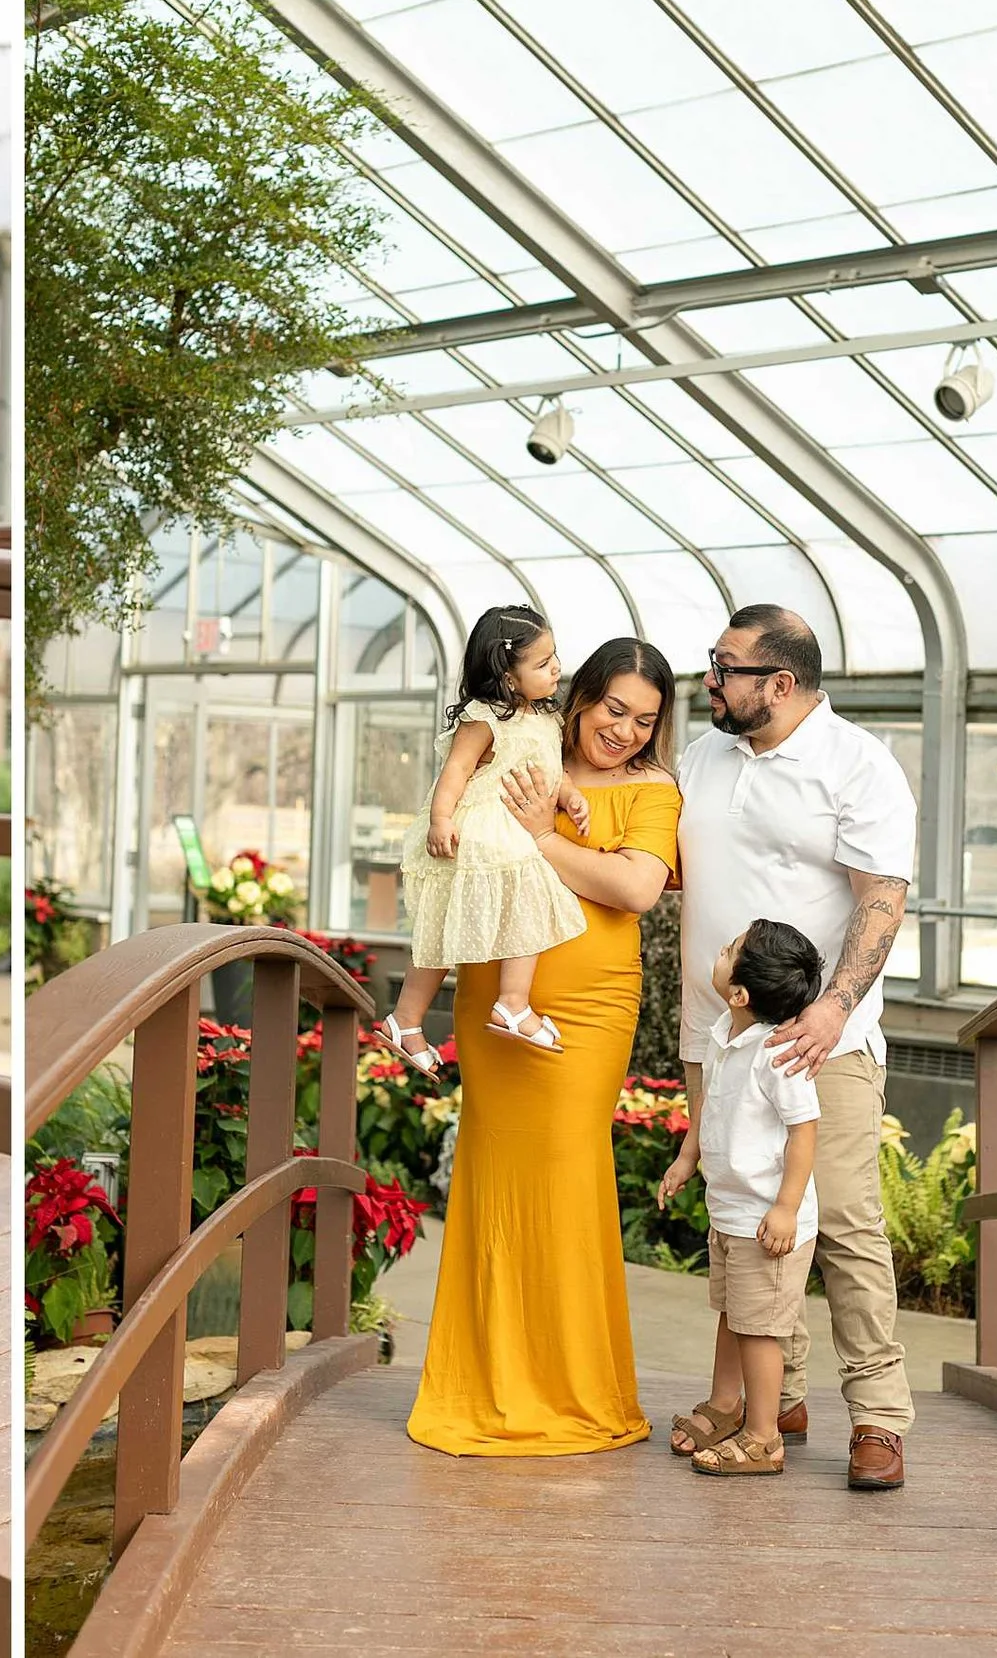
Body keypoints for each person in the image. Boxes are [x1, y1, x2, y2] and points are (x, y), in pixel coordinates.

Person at [406, 639, 678, 1456]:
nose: (625, 731)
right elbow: (452, 822)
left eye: (646, 720)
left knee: (565, 1174)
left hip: (589, 1012)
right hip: (496, 999)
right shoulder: (521, 751)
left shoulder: (654, 789)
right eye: (613, 710)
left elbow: (636, 888)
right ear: (580, 698)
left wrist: (541, 838)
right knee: (493, 1182)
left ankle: (572, 1390)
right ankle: (481, 1383)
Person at [677, 603, 915, 1492]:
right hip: (718, 1035)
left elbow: (881, 899)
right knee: (739, 1218)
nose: (709, 678)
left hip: (824, 1044)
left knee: (844, 1223)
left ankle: (881, 1417)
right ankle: (782, 1398)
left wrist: (832, 1008)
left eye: (725, 666)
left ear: (779, 683)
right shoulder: (704, 757)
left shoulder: (858, 767)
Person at [385, 604, 590, 1065]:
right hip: (477, 828)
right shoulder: (484, 718)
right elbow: (455, 771)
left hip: (508, 828)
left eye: (555, 655)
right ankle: (509, 1003)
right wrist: (441, 820)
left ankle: (406, 1021)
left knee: (468, 920)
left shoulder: (545, 717)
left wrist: (570, 795)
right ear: (508, 677)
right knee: (474, 915)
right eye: (542, 663)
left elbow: (550, 773)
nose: (556, 667)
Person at [657, 919, 826, 1476]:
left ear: (739, 994)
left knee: (760, 1328)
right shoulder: (721, 1037)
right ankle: (726, 1407)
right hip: (730, 1213)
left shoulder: (777, 1054)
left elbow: (804, 1131)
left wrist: (785, 1207)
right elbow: (708, 1106)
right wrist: (687, 1158)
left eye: (730, 950)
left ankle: (763, 1437)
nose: (721, 948)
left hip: (767, 1221)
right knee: (733, 1315)